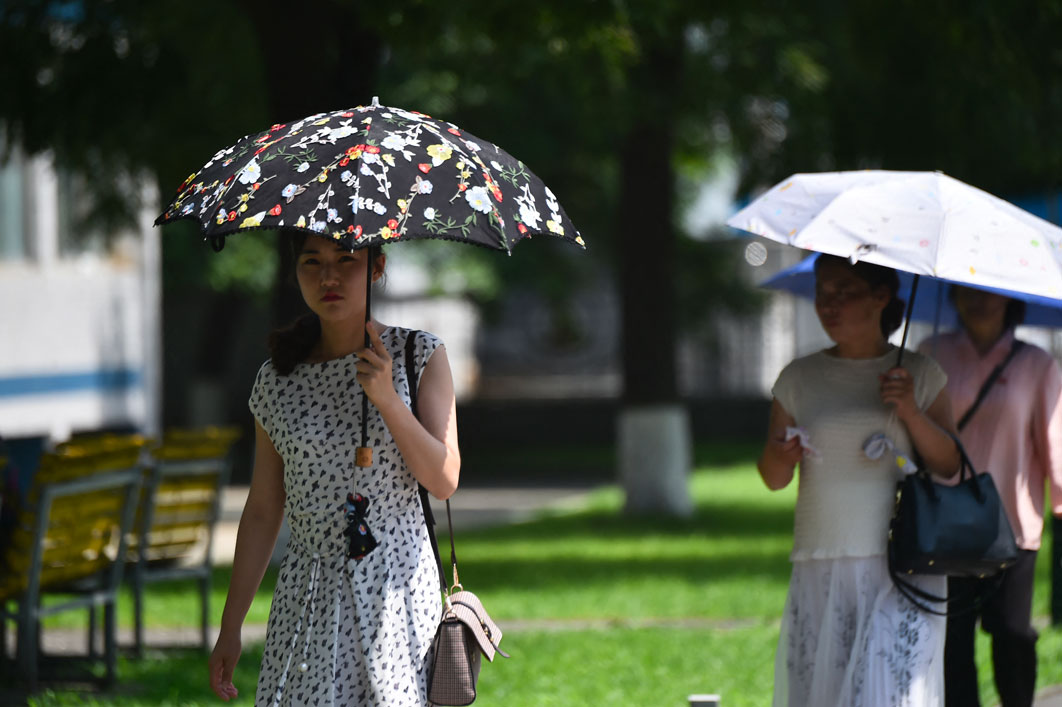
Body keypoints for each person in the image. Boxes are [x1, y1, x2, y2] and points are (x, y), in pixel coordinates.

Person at [208, 231, 460, 706]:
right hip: (307, 593)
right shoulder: (277, 378)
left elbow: (444, 479)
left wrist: (387, 399)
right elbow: (264, 508)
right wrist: (230, 627)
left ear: (378, 268)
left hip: (397, 589)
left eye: (347, 260)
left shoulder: (418, 354)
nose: (329, 276)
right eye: (312, 261)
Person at [758, 254, 961, 707]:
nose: (829, 304)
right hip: (822, 558)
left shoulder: (921, 374)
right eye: (822, 292)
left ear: (880, 297)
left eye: (843, 291)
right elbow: (773, 479)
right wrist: (779, 453)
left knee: (892, 695)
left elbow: (952, 465)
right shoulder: (798, 378)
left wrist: (909, 409)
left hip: (904, 562)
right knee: (828, 695)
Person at [918, 286, 1062, 707]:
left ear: (1010, 299)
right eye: (967, 291)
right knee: (952, 642)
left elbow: (1054, 442)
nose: (979, 301)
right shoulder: (931, 353)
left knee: (1013, 633)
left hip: (1012, 524)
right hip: (944, 524)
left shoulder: (1037, 364)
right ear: (954, 297)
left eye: (990, 293)